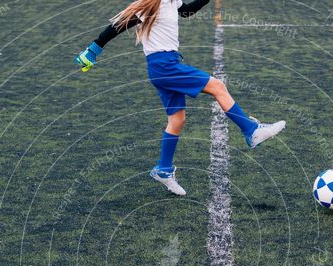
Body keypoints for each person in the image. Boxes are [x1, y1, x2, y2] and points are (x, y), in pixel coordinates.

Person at [75, 0, 286, 196]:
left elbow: (186, 11)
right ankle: (251, 131)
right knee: (218, 87)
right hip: (164, 66)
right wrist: (93, 50)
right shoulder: (150, 2)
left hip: (164, 65)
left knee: (177, 120)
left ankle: (164, 170)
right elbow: (117, 26)